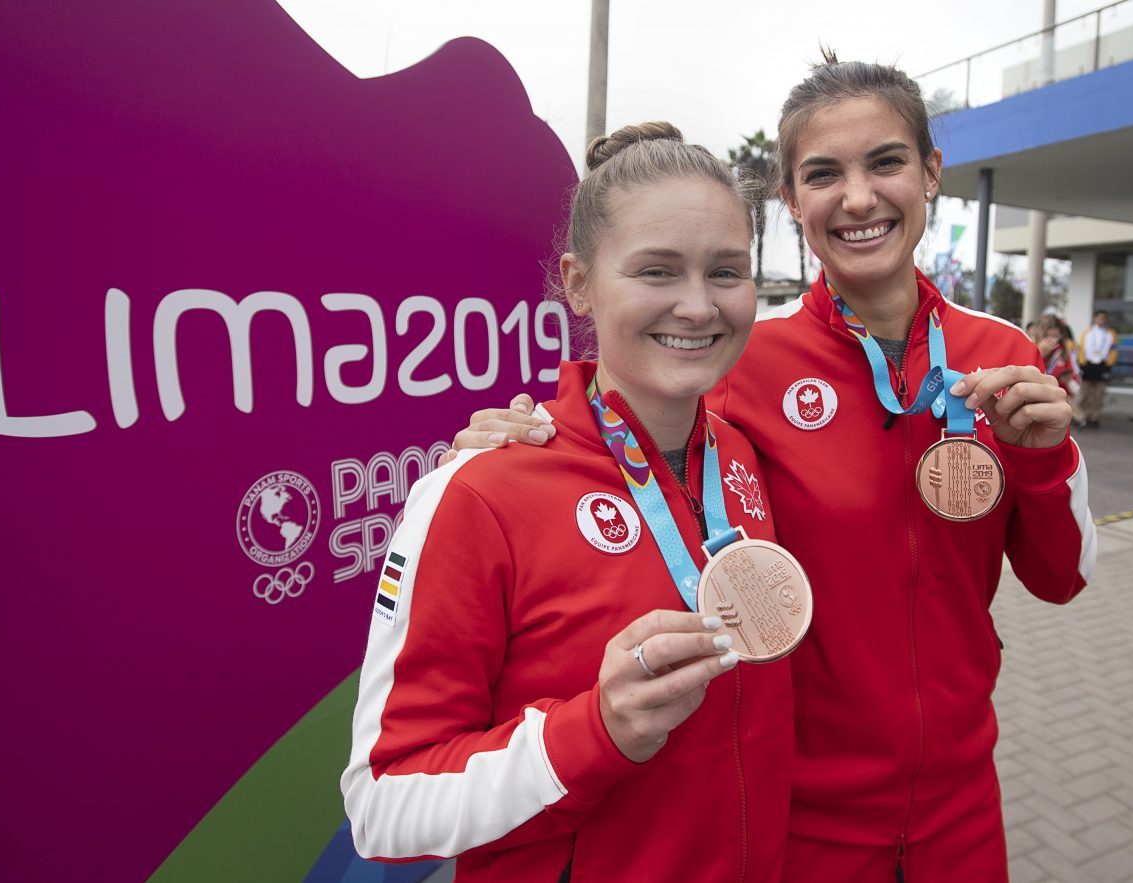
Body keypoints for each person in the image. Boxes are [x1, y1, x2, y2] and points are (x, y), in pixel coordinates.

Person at [451, 55, 1096, 881]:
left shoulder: (1002, 354)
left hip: (963, 809)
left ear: (932, 173)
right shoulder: (740, 356)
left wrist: (1047, 462)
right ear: (792, 202)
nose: (858, 197)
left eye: (886, 162)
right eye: (823, 174)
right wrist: (534, 432)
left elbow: (1063, 579)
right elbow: (631, 445)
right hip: (800, 822)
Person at [342, 124, 797, 882]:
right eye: (657, 270)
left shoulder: (741, 457)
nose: (697, 305)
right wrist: (595, 730)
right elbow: (382, 801)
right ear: (579, 282)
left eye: (726, 271)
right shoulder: (479, 491)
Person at [1077, 310, 1119, 428]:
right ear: (1095, 319)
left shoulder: (1111, 334)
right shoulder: (1088, 332)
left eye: (1103, 318)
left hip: (1102, 365)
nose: (1101, 320)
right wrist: (1082, 363)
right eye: (1099, 318)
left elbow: (1114, 349)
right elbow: (1081, 348)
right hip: (1088, 364)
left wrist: (1109, 364)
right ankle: (1082, 416)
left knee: (1099, 393)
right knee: (1085, 391)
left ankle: (1094, 417)